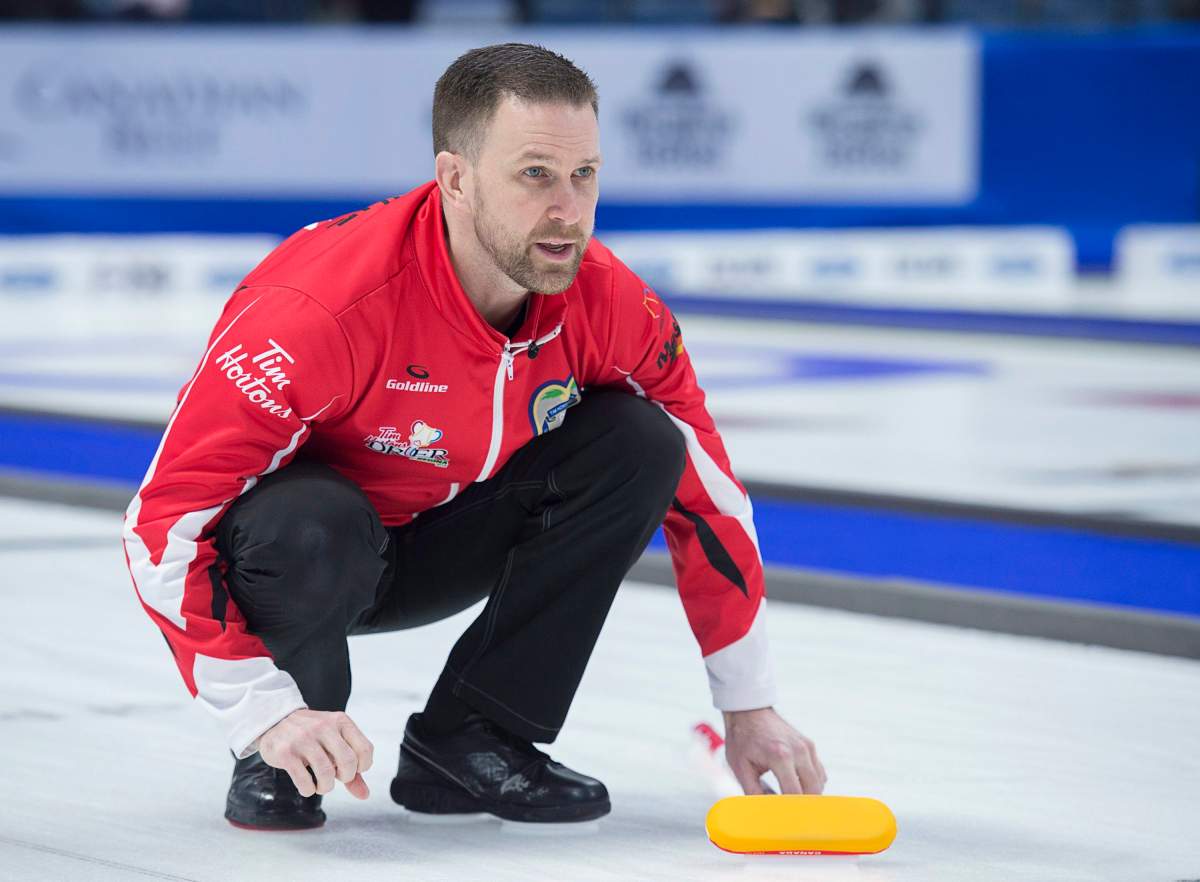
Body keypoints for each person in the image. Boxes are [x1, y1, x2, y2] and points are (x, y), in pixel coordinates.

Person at [122, 42, 826, 830]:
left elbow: (711, 500)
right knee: (310, 520)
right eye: (535, 175)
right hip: (305, 557)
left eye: (584, 175)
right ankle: (286, 753)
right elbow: (164, 522)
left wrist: (749, 702)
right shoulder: (319, 312)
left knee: (643, 441)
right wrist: (260, 709)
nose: (569, 210)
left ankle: (473, 738)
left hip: (441, 538)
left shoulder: (612, 306)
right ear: (455, 178)